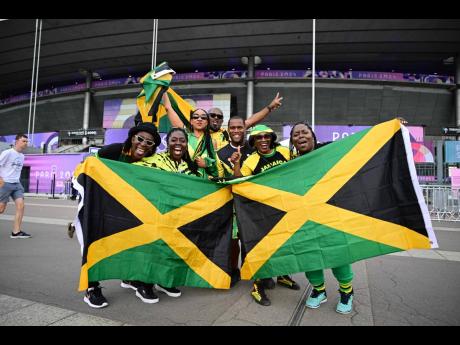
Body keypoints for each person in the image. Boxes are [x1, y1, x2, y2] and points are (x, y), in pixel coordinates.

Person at [82, 122, 162, 309]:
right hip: (103, 208)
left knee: (132, 244)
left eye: (149, 143)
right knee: (96, 246)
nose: (143, 144)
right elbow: (89, 164)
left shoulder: (151, 163)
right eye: (140, 139)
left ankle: (131, 278)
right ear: (132, 138)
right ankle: (91, 287)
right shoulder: (114, 151)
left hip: (130, 212)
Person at [289, 121, 354, 314]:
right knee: (310, 255)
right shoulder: (291, 165)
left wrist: (388, 130)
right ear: (292, 141)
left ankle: (346, 292)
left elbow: (358, 146)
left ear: (313, 135)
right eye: (296, 134)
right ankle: (319, 291)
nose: (300, 136)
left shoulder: (329, 150)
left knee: (338, 254)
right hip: (305, 218)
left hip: (331, 213)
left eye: (304, 132)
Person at [233, 125, 300, 306]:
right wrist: (236, 164)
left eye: (266, 136)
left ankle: (283, 276)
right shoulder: (251, 160)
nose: (263, 140)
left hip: (285, 208)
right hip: (261, 213)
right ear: (253, 142)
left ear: (271, 138)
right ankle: (257, 286)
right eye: (258, 137)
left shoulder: (285, 152)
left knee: (285, 245)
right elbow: (239, 183)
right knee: (261, 248)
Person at [133, 127, 200, 298]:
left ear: (186, 144)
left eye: (182, 141)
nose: (178, 144)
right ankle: (144, 284)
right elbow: (131, 173)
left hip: (176, 218)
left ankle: (164, 281)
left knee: (171, 250)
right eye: (174, 140)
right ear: (167, 143)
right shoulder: (155, 160)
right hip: (154, 214)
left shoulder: (188, 167)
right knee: (153, 249)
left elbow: (197, 187)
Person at [162, 93, 219, 179]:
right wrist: (163, 89)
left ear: (207, 122)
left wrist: (206, 164)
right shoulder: (183, 137)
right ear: (191, 121)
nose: (199, 119)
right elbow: (168, 107)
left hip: (202, 183)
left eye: (203, 118)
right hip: (183, 179)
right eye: (196, 117)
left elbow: (215, 171)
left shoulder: (212, 142)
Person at [207, 92, 283, 151]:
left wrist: (270, 107)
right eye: (212, 115)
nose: (216, 118)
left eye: (219, 117)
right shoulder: (200, 134)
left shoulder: (228, 132)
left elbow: (252, 120)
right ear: (207, 117)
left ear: (222, 121)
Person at [0, 134, 31, 239]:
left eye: (27, 141)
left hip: (16, 184)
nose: (26, 143)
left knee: (21, 206)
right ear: (16, 141)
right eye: (23, 141)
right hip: (5, 183)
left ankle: (16, 232)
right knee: (1, 209)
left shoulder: (22, 156)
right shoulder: (7, 153)